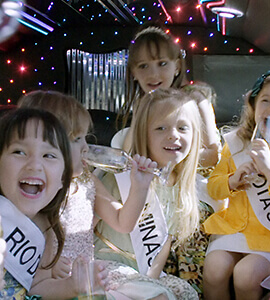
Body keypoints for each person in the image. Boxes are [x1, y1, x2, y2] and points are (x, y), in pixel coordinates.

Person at [18, 90, 176, 300]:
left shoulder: (86, 180)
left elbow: (123, 222)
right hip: (63, 285)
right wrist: (65, 280)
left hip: (90, 273)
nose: (86, 147)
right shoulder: (38, 198)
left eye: (84, 137)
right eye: (75, 139)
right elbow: (36, 281)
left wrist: (140, 187)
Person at [95, 88, 211, 299]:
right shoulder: (122, 177)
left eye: (183, 128)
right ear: (144, 134)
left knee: (187, 294)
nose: (173, 135)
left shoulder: (183, 189)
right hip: (106, 267)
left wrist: (152, 278)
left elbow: (163, 244)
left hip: (142, 270)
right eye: (161, 128)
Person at [203, 70, 270, 300]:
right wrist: (231, 181)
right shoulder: (236, 144)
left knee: (246, 275)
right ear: (253, 106)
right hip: (234, 230)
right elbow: (213, 186)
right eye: (265, 100)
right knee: (214, 268)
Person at [115, 24, 220, 169]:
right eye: (143, 66)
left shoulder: (195, 98)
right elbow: (128, 152)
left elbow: (214, 154)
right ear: (134, 73)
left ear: (176, 67)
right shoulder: (143, 104)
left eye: (162, 64)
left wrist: (169, 160)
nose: (153, 74)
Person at [0, 108, 73, 299]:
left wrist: (73, 286)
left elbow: (37, 287)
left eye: (49, 155)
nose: (34, 165)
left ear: (63, 179)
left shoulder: (44, 226)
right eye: (19, 151)